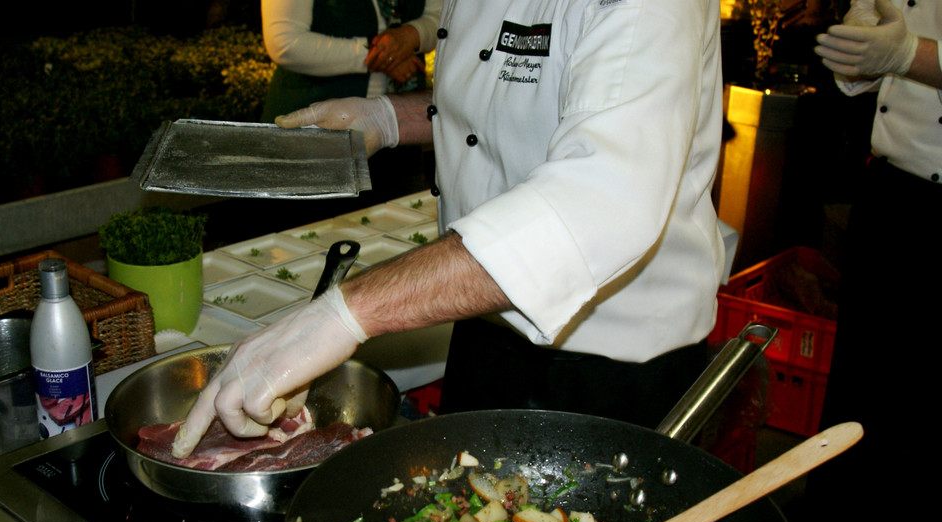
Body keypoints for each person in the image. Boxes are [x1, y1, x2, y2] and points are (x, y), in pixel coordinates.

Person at [172, 0, 726, 459]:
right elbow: (511, 99)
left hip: (611, 366)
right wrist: (391, 118)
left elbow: (601, 201)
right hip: (481, 318)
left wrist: (344, 313)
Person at [797, 0, 942, 522]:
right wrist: (859, 53)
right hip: (892, 198)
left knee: (926, 426)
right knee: (866, 402)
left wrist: (909, 54)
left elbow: (905, 47)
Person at [259, 0, 442, 122]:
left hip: (403, 124)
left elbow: (443, 16)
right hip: (314, 124)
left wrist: (413, 34)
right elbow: (285, 42)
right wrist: (380, 54)